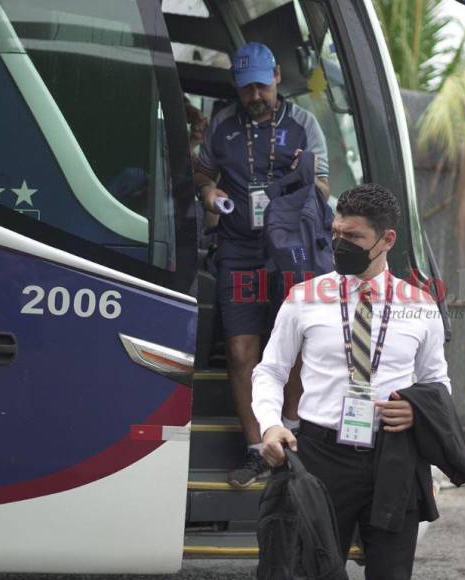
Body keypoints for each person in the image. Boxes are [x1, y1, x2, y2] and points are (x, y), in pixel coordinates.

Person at [252, 183, 452, 579]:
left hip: (394, 457)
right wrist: (271, 424)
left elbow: (437, 384)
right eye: (336, 234)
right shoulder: (304, 298)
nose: (340, 244)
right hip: (320, 456)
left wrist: (417, 411)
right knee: (308, 569)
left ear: (386, 239)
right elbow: (270, 371)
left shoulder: (421, 306)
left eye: (354, 237)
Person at [193, 42, 330, 487]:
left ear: (275, 78)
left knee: (291, 349)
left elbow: (324, 188)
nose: (255, 95)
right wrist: (208, 193)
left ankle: (288, 435)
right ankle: (257, 451)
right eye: (246, 87)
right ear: (237, 86)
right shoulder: (221, 125)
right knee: (240, 352)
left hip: (290, 249)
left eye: (261, 85)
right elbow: (202, 173)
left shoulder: (304, 124)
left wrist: (301, 176)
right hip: (239, 250)